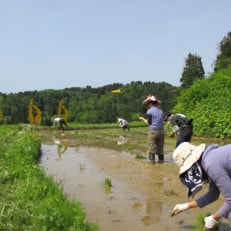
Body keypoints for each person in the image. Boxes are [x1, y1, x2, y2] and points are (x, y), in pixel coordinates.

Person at [171, 141, 231, 230]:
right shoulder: (208, 159)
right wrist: (185, 206)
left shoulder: (210, 164)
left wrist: (214, 219)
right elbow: (213, 194)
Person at [138, 95, 164, 163]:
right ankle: (161, 162)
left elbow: (149, 123)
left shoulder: (150, 111)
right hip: (161, 132)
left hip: (153, 131)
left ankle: (152, 164)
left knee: (152, 148)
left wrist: (142, 118)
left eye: (148, 104)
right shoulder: (161, 111)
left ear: (150, 103)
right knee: (160, 150)